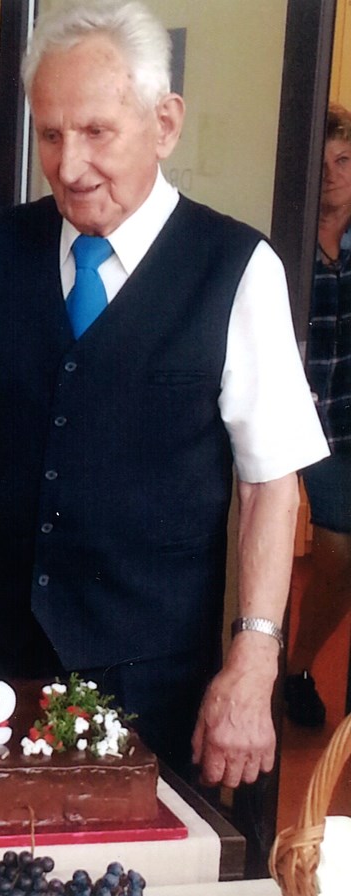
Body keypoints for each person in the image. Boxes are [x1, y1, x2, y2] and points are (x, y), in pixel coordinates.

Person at [0, 0, 329, 787]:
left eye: (96, 133)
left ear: (165, 123)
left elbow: (269, 486)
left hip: (152, 674)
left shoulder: (238, 269)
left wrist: (255, 657)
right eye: (50, 135)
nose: (70, 165)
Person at [285, 103, 351, 728]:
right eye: (322, 162)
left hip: (346, 425)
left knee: (340, 553)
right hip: (292, 419)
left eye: (345, 160)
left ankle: (298, 668)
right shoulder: (283, 244)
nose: (332, 174)